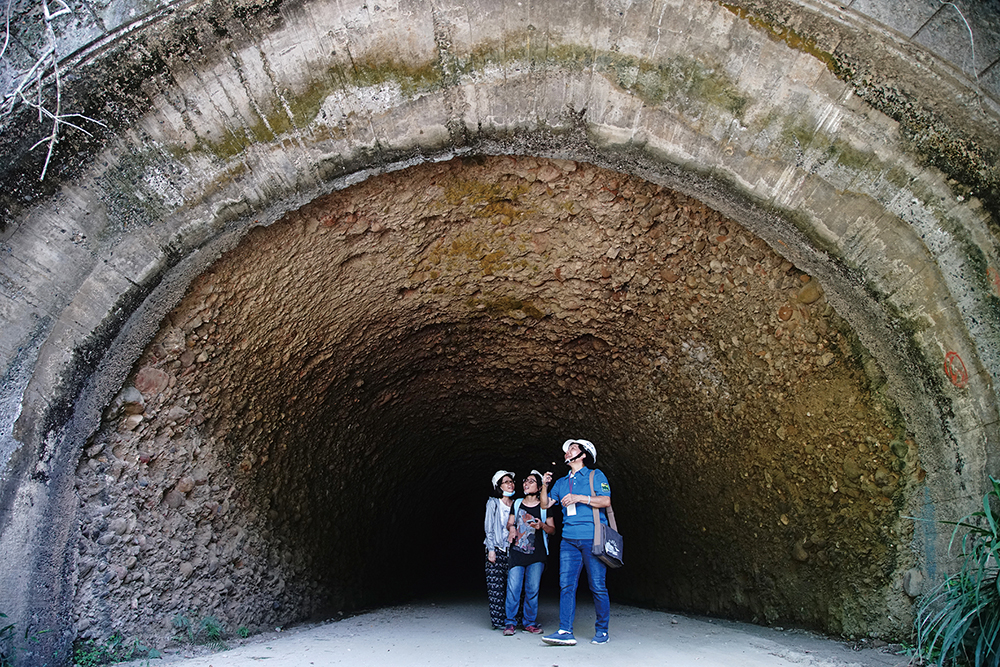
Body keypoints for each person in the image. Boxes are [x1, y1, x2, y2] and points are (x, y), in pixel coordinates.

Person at [540, 439, 612, 646]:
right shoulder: (562, 482)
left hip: (593, 537)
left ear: (583, 455)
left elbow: (605, 501)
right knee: (566, 585)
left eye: (572, 449)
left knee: (597, 586)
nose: (567, 452)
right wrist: (544, 485)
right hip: (568, 540)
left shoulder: (595, 476)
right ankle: (565, 631)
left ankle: (602, 630)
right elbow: (545, 504)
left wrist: (579, 498)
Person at [502, 470, 555, 636]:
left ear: (539, 487)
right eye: (525, 480)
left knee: (532, 590)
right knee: (513, 588)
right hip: (517, 553)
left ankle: (529, 623)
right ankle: (510, 623)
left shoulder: (544, 506)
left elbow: (552, 530)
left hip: (537, 555)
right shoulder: (517, 504)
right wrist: (511, 529)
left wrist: (542, 526)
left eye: (531, 481)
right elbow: (510, 523)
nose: (526, 483)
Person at [485, 469, 516, 629]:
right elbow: (488, 527)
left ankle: (512, 620)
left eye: (511, 482)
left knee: (514, 586)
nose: (510, 484)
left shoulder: (516, 504)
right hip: (496, 548)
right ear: (499, 486)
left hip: (513, 550)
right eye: (506, 482)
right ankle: (498, 622)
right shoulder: (493, 503)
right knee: (496, 588)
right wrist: (491, 549)